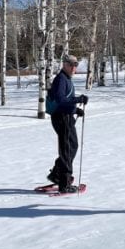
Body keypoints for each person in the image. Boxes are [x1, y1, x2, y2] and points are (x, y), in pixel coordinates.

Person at [45, 54, 88, 193]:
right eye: (71, 65)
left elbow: (67, 99)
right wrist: (77, 101)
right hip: (61, 118)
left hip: (67, 117)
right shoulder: (61, 79)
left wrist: (76, 109)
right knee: (66, 149)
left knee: (72, 146)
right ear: (65, 65)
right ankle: (64, 183)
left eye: (75, 65)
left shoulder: (67, 79)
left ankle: (56, 174)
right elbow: (60, 99)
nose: (73, 67)